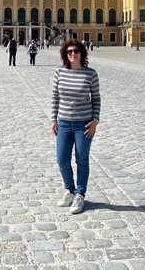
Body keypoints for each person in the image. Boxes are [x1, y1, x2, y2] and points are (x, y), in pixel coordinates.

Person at [51, 40, 101, 215]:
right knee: (62, 159)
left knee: (82, 159)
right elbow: (55, 97)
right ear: (65, 54)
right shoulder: (59, 72)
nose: (73, 54)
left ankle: (80, 194)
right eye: (70, 51)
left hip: (84, 124)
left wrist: (95, 120)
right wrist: (53, 119)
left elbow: (96, 99)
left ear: (82, 53)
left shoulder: (90, 74)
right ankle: (70, 190)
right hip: (64, 122)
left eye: (76, 51)